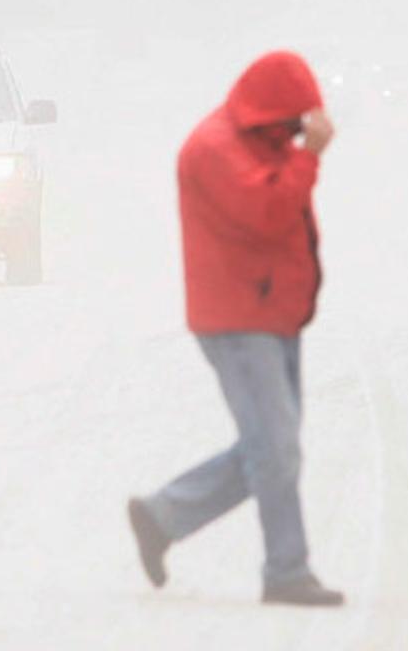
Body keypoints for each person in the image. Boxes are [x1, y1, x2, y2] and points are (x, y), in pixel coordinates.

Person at [127, 51, 343, 607]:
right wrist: (309, 157)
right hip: (238, 319)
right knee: (275, 451)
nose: (298, 131)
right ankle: (287, 571)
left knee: (271, 449)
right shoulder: (216, 149)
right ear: (273, 111)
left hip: (270, 314)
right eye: (294, 120)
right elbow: (267, 213)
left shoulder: (261, 141)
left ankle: (162, 516)